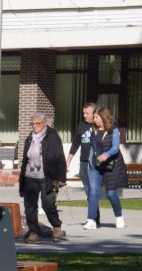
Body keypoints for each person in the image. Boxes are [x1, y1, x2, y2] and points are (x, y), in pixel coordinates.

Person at [19, 113, 67, 243]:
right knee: (29, 206)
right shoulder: (30, 138)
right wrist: (21, 183)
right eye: (32, 123)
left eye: (37, 123)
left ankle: (56, 226)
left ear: (44, 124)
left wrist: (62, 178)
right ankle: (34, 232)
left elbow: (60, 157)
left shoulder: (52, 136)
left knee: (48, 204)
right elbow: (25, 160)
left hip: (50, 177)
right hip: (30, 176)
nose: (34, 126)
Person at [86, 106, 126, 229]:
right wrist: (90, 160)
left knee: (111, 193)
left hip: (111, 165)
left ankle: (119, 216)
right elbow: (92, 147)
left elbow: (115, 147)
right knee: (93, 192)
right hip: (96, 165)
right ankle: (91, 220)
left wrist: (106, 155)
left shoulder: (113, 130)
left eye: (96, 117)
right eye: (94, 117)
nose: (94, 120)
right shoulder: (93, 130)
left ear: (103, 117)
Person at [68, 102, 96, 184]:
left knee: (94, 182)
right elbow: (75, 144)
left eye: (87, 113)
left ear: (94, 113)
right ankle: (89, 192)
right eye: (84, 113)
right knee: (83, 176)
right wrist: (68, 161)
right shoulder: (81, 125)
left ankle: (92, 192)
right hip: (84, 159)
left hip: (96, 160)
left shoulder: (99, 125)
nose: (84, 115)